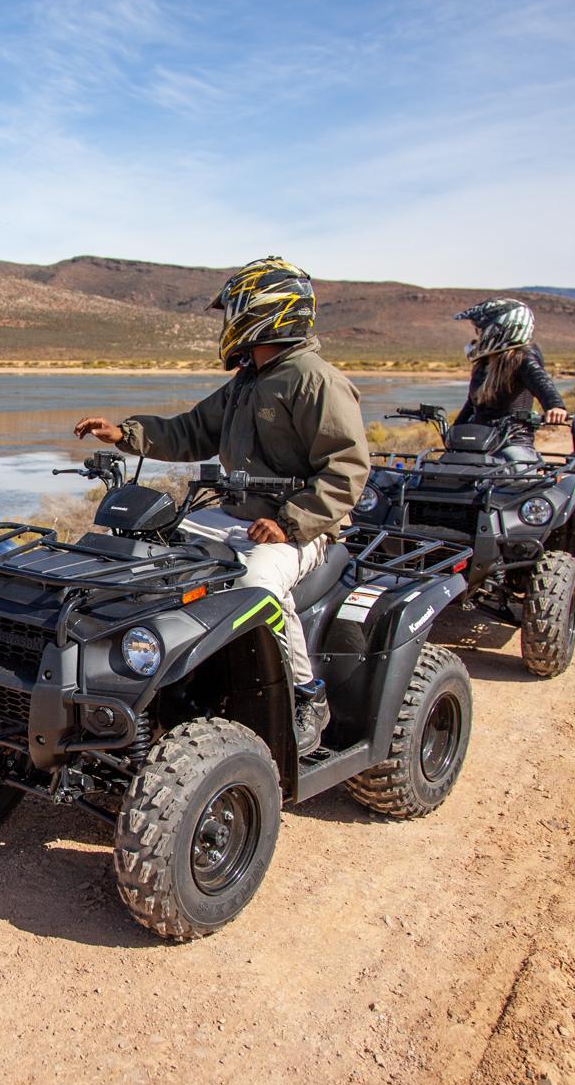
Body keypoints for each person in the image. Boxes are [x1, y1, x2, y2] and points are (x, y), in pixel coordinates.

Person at [72, 256, 369, 756]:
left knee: (257, 583)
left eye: (235, 311)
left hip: (303, 528)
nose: (228, 322)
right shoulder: (249, 381)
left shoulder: (314, 380)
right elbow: (191, 430)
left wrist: (290, 522)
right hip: (236, 517)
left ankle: (304, 694)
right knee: (152, 552)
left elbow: (348, 468)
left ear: (267, 311)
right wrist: (125, 434)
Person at [451, 298, 567, 456]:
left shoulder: (522, 359)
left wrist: (555, 407)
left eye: (480, 330)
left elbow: (542, 383)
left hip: (512, 440)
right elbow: (473, 404)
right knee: (446, 463)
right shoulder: (483, 364)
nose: (477, 336)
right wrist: (455, 430)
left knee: (515, 464)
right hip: (480, 440)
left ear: (500, 330)